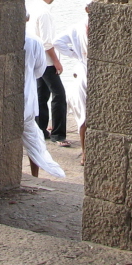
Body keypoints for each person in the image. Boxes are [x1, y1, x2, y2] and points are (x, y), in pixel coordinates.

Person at [28, 0, 69, 146]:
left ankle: (41, 129)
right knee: (59, 95)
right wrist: (57, 62)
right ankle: (58, 134)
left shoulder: (31, 6)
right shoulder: (44, 12)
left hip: (35, 59)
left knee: (41, 95)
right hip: (46, 61)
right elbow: (47, 42)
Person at [22, 33, 65, 179]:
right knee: (33, 141)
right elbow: (39, 71)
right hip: (27, 98)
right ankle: (35, 176)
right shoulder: (34, 41)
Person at [53, 9, 88, 164]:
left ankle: (85, 153)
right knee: (83, 117)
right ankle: (85, 152)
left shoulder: (78, 27)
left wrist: (75, 54)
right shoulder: (79, 28)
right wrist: (76, 54)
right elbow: (56, 42)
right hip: (84, 72)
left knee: (84, 115)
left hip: (83, 70)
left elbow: (57, 42)